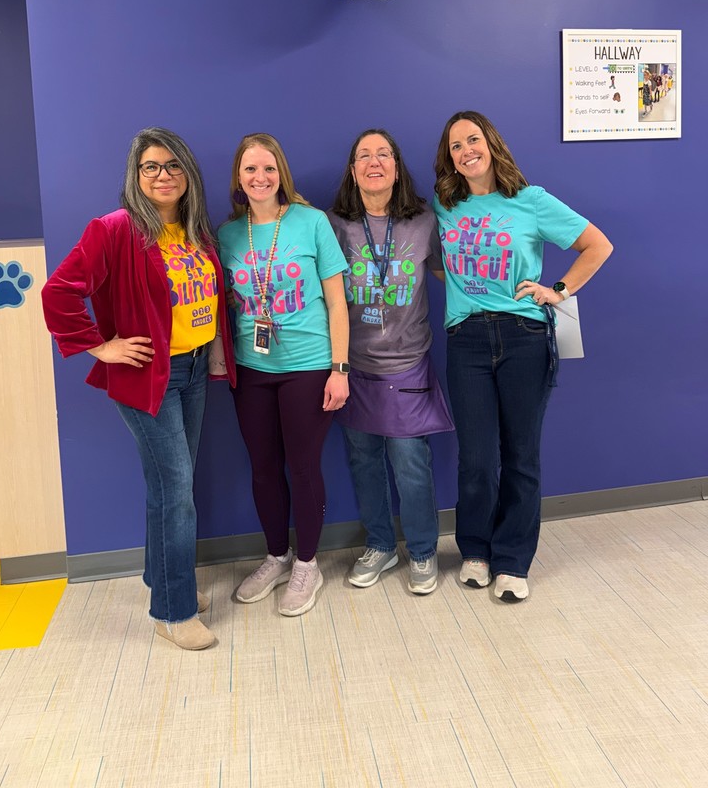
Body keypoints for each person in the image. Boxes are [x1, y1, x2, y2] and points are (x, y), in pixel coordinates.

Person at [42, 127, 235, 650]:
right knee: (178, 493)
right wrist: (99, 345)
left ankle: (162, 580)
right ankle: (174, 612)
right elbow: (59, 291)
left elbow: (209, 300)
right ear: (136, 176)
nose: (163, 175)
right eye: (150, 167)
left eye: (172, 165)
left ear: (188, 174)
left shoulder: (196, 231)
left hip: (194, 369)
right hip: (151, 376)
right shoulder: (115, 229)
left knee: (169, 488)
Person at [433, 111, 612, 602]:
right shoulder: (444, 205)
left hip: (524, 338)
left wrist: (557, 290)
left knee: (520, 455)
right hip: (466, 340)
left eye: (473, 140)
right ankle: (475, 550)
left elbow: (597, 245)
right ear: (448, 159)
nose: (466, 150)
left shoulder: (530, 201)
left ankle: (512, 560)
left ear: (491, 144)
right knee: (475, 458)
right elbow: (429, 258)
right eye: (455, 146)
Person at [218, 133, 349, 617]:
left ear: (281, 174)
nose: (260, 177)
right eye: (250, 169)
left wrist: (340, 369)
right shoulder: (229, 234)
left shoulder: (312, 223)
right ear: (238, 177)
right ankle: (277, 556)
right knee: (263, 468)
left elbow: (337, 302)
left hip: (309, 367)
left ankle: (308, 565)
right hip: (252, 369)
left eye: (268, 169)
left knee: (303, 467)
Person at [328, 129, 453, 595]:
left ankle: (422, 550)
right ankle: (380, 544)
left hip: (407, 364)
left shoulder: (424, 221)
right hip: (351, 365)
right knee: (363, 461)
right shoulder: (333, 223)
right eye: (364, 155)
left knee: (410, 463)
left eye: (384, 154)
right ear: (353, 169)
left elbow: (448, 272)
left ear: (397, 167)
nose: (374, 162)